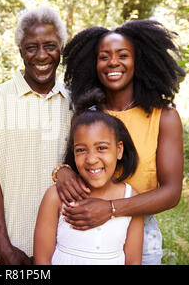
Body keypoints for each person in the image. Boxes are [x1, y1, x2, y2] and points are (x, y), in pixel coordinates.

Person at [53, 19, 185, 264]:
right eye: (104, 56)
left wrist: (111, 208)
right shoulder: (86, 116)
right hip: (85, 226)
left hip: (141, 229)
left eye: (123, 55)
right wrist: (61, 171)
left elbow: (171, 192)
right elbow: (78, 165)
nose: (113, 62)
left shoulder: (164, 117)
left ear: (138, 60)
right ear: (94, 64)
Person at [0, 7, 72, 265]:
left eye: (50, 46)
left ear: (61, 48)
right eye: (31, 47)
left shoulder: (75, 103)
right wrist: (3, 247)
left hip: (62, 248)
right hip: (4, 249)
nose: (41, 55)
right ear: (20, 51)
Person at [34, 88, 144, 265]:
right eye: (81, 150)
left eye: (101, 148)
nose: (91, 159)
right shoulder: (55, 197)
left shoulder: (132, 198)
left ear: (119, 150)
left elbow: (133, 261)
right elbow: (42, 261)